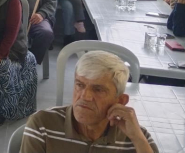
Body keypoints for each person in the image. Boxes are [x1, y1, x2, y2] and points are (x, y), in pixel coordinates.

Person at [21, 51, 158, 153]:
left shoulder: (137, 137)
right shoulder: (43, 125)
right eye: (80, 85)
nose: (85, 96)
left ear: (120, 101)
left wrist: (138, 139)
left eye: (98, 90)